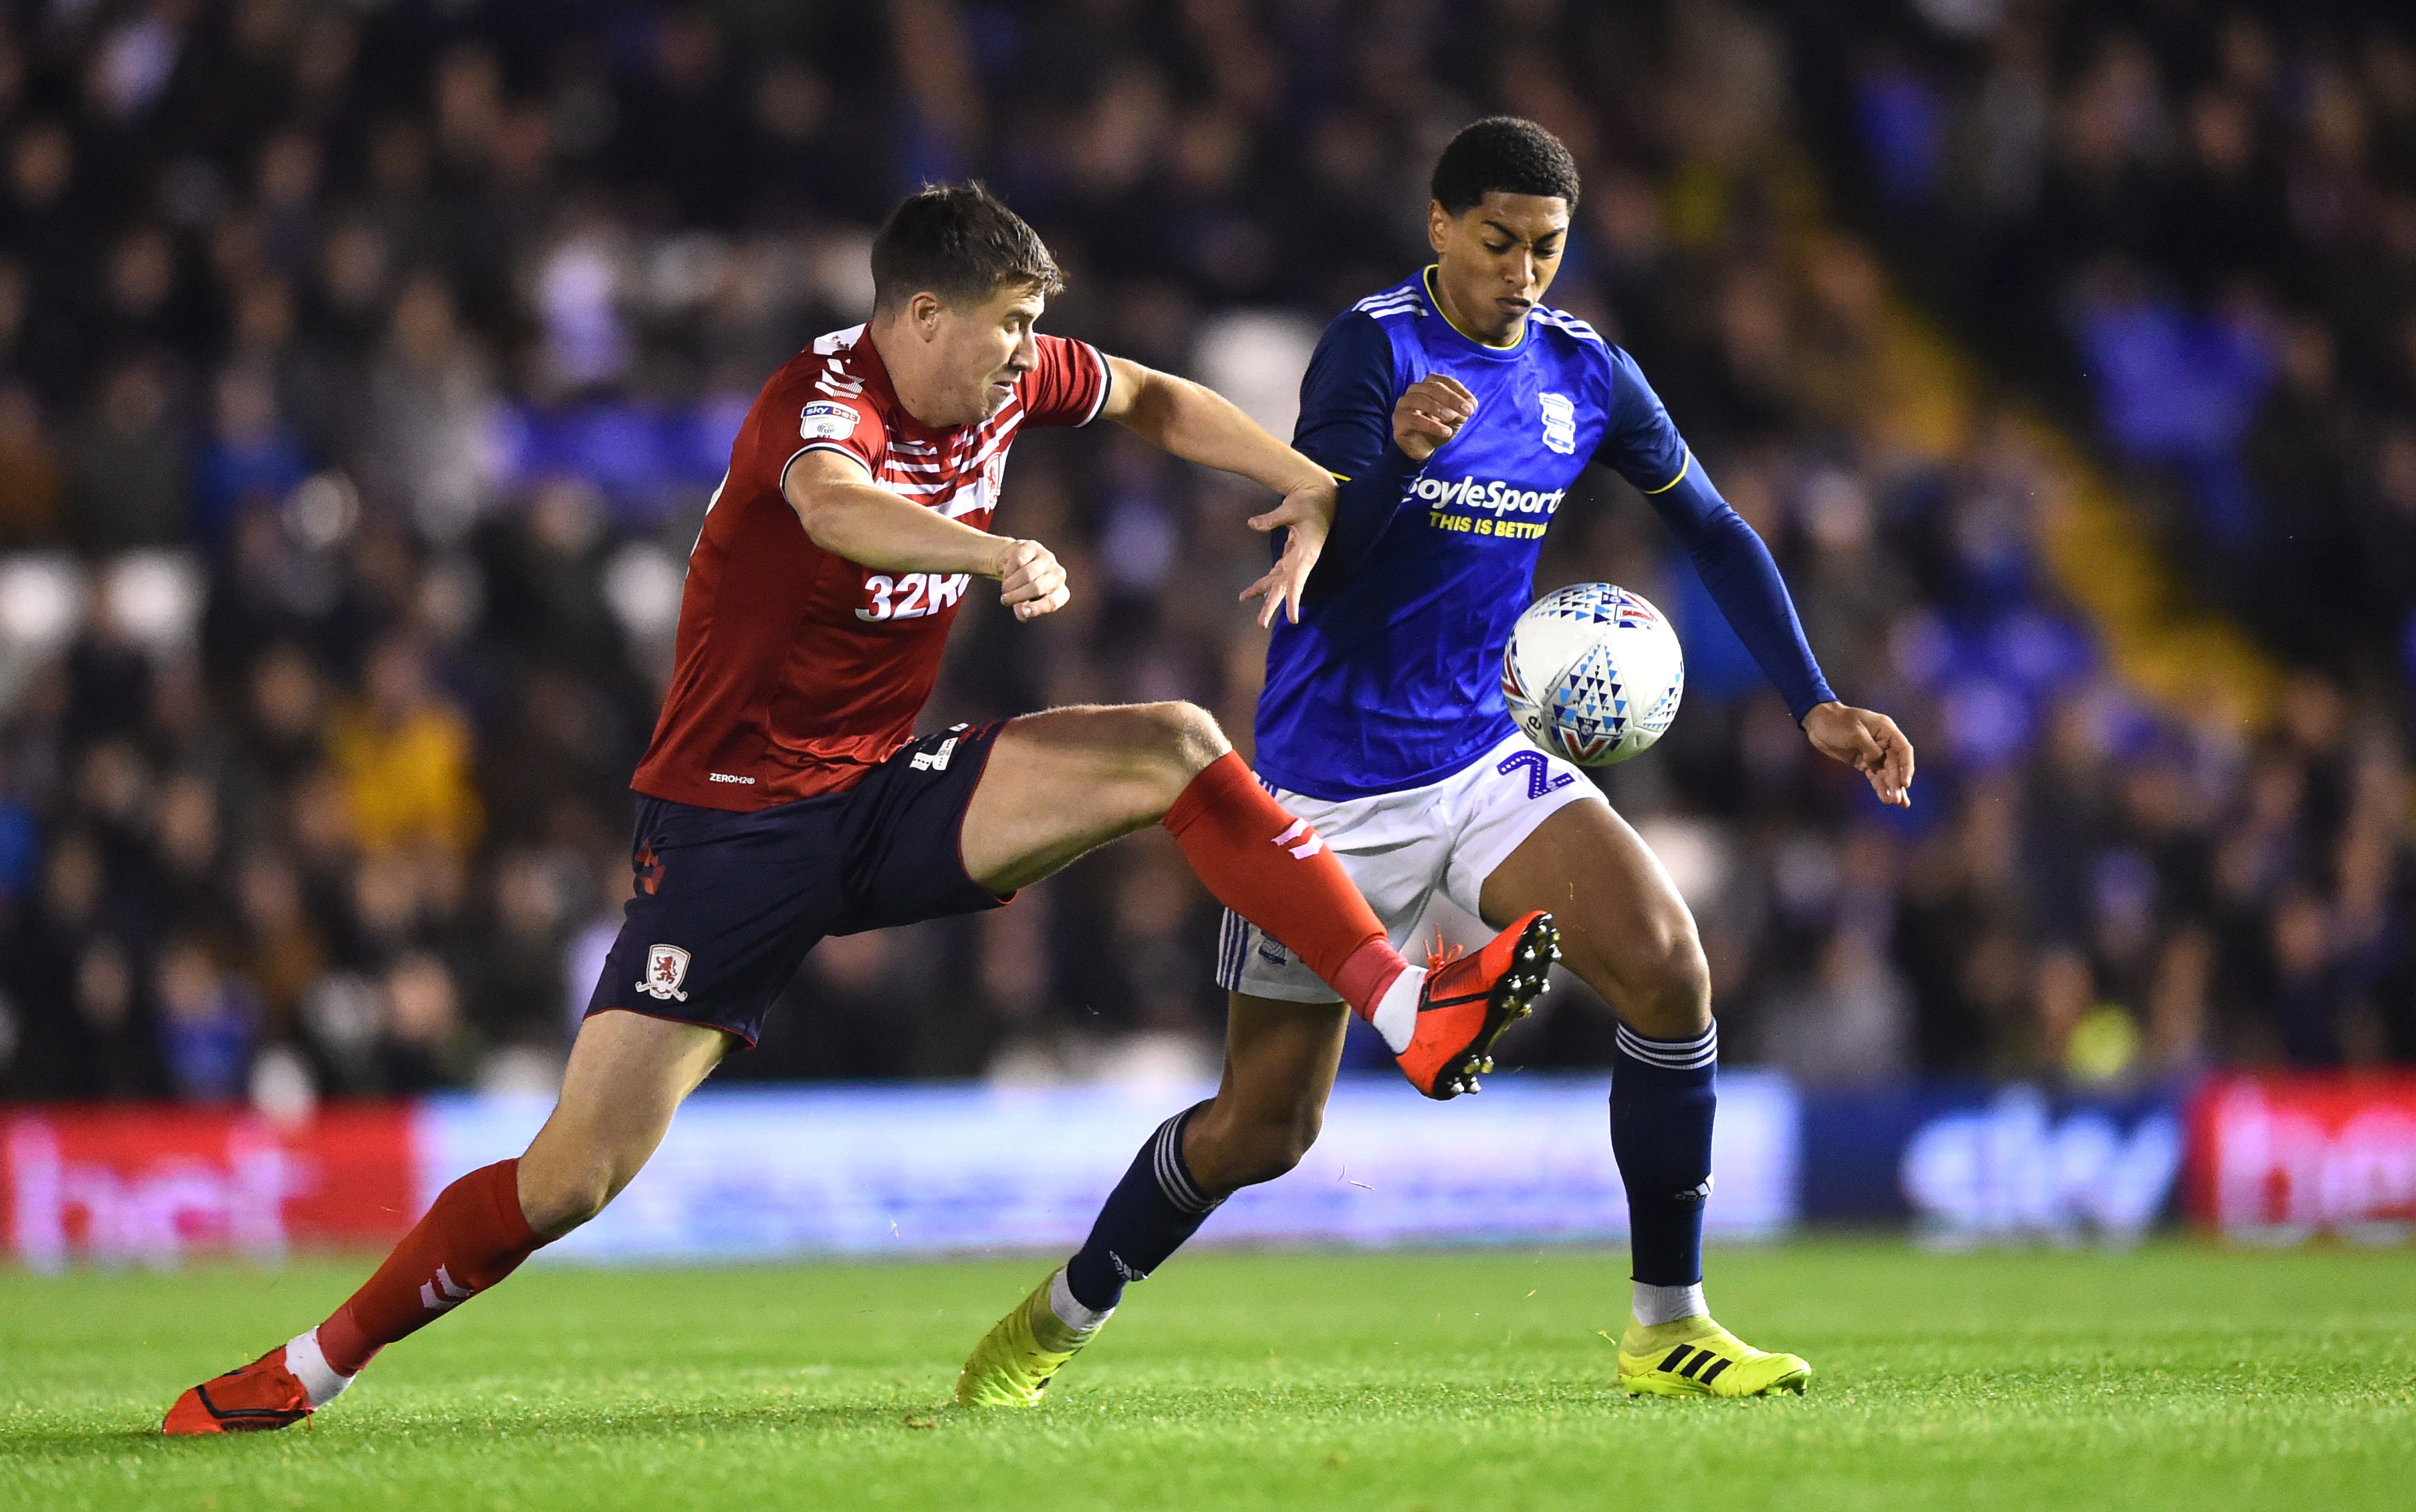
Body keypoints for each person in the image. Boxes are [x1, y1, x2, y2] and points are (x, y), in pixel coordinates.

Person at [163, 183, 1557, 1434]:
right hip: (729, 833)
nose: (1023, 351)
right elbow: (834, 510)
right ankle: (312, 1365)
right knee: (572, 1180)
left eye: (1031, 328)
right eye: (1004, 325)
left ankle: (1400, 1002)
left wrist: (1312, 480)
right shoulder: (817, 403)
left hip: (883, 794)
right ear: (918, 314)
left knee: (1172, 743)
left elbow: (1149, 397)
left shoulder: (1010, 381)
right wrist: (991, 548)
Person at [955, 120, 1915, 1406]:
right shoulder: (1372, 349)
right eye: (1499, 241)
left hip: (1474, 756)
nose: (1524, 271)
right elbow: (1331, 576)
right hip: (1321, 790)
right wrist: (1398, 461)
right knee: (1263, 1130)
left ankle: (1666, 1323)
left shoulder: (1587, 373)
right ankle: (1060, 1314)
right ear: (1440, 227)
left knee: (1671, 970)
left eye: (1548, 246)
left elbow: (1717, 525)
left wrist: (1813, 701)